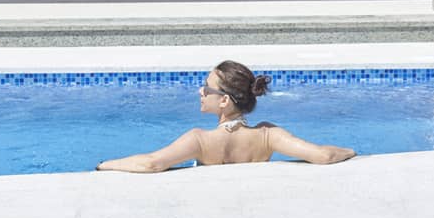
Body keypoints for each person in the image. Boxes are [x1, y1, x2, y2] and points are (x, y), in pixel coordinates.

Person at [96, 59, 356, 173]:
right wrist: (350, 151)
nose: (200, 91)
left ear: (223, 100)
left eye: (206, 87)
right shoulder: (268, 137)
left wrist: (105, 164)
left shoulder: (200, 141)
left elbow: (152, 163)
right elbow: (323, 155)